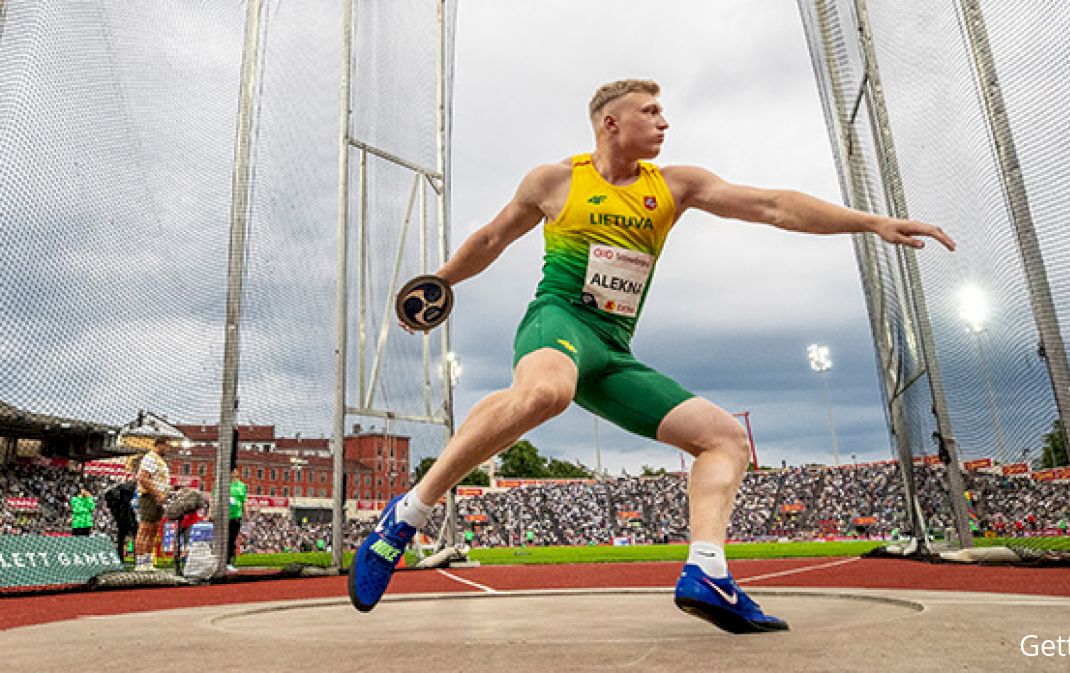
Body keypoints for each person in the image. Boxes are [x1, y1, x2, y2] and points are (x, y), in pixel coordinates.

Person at [349, 79, 955, 631]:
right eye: (651, 112)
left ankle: (709, 572)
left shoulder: (673, 186)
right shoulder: (555, 181)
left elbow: (774, 205)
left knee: (725, 440)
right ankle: (407, 516)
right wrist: (441, 281)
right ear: (610, 123)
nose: (664, 122)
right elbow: (491, 238)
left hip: (613, 352)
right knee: (546, 392)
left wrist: (872, 222)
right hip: (558, 323)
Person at [134, 437, 171, 571]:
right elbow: (143, 478)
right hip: (149, 497)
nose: (168, 449)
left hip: (159, 498)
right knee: (145, 529)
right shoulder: (150, 458)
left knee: (154, 530)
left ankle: (148, 561)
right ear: (159, 445)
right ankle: (139, 562)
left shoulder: (160, 461)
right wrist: (157, 493)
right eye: (166, 446)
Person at [225, 469, 247, 571]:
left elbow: (243, 501)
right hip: (224, 516)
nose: (234, 473)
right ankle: (223, 561)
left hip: (236, 516)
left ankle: (230, 562)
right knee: (225, 539)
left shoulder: (242, 486)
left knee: (232, 539)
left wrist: (245, 513)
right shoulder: (224, 484)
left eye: (235, 471)